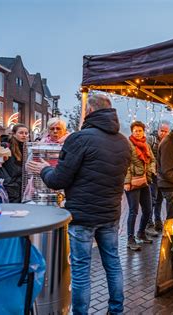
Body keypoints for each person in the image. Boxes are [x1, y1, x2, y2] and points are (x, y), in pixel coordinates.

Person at [27, 94, 131, 315]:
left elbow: (58, 180)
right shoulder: (124, 142)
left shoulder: (79, 139)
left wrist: (44, 169)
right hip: (110, 213)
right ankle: (116, 310)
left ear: (90, 111)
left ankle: (81, 313)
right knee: (113, 264)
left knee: (81, 270)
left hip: (82, 215)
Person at [124, 121, 157, 251]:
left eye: (140, 130)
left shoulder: (146, 145)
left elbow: (152, 160)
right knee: (133, 211)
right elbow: (125, 164)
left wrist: (151, 169)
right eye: (135, 131)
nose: (138, 133)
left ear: (144, 131)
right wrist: (126, 182)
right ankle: (130, 238)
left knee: (148, 210)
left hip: (145, 181)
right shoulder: (128, 145)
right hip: (132, 182)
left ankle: (141, 233)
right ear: (132, 132)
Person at [147, 121, 170, 232]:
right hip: (153, 174)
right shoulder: (152, 139)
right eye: (162, 131)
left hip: (162, 175)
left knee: (160, 199)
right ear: (158, 130)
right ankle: (149, 222)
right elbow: (147, 155)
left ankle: (157, 221)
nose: (164, 133)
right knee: (152, 199)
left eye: (166, 131)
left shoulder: (168, 142)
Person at [0, 124, 29, 202]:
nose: (24, 135)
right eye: (21, 133)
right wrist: (8, 181)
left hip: (21, 187)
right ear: (14, 134)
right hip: (10, 186)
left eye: (26, 133)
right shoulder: (5, 146)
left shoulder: (26, 148)